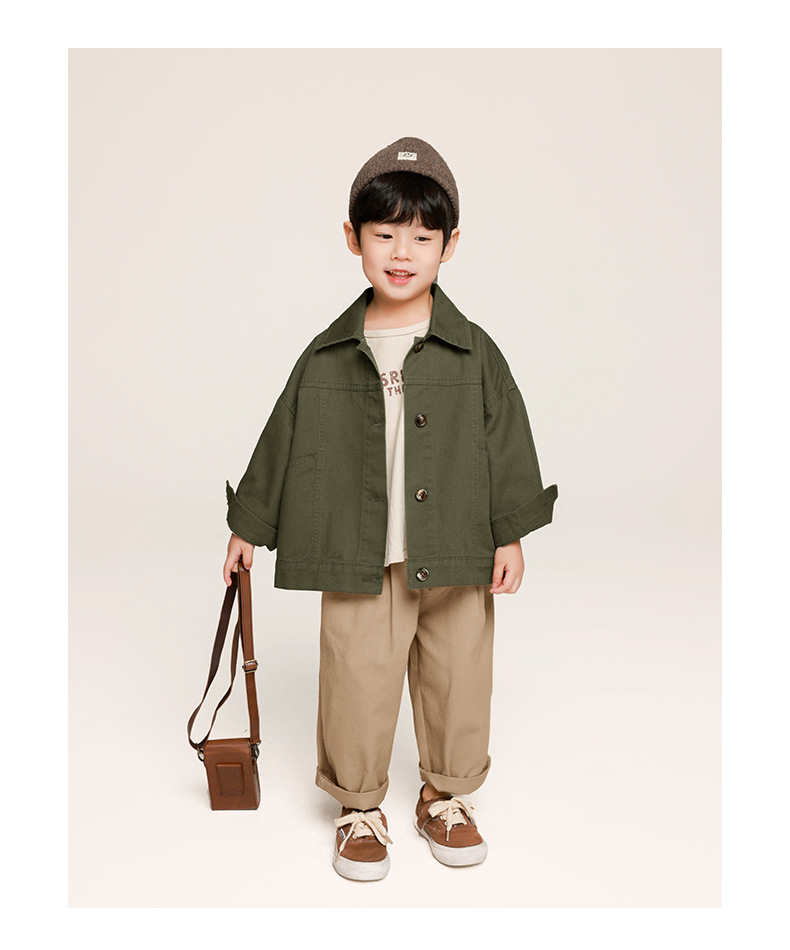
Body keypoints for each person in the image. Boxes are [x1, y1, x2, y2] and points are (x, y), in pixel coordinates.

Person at [222, 136, 558, 881]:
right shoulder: (327, 354)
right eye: (384, 234)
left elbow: (507, 439)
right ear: (353, 238)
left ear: (450, 245)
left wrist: (509, 534)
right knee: (356, 676)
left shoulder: (474, 352)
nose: (402, 253)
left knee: (458, 676)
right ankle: (358, 808)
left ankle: (446, 796)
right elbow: (283, 436)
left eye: (422, 237)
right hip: (360, 551)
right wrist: (249, 524)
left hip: (457, 544)